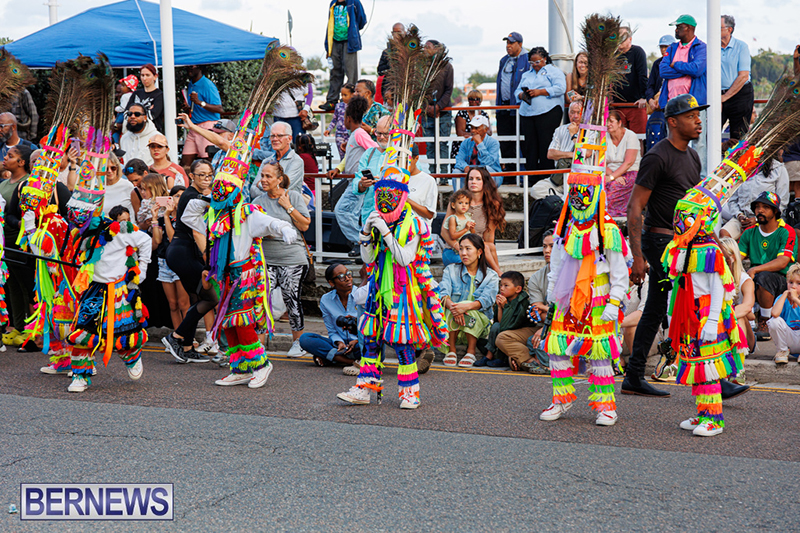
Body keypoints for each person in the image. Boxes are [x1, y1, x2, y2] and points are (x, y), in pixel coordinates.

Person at [625, 94, 707, 398]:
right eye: (691, 116)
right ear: (672, 122)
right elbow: (635, 207)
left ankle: (634, 375)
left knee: (667, 306)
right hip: (661, 243)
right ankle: (708, 376)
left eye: (699, 115)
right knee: (683, 302)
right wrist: (637, 257)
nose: (698, 120)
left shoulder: (693, 156)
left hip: (686, 242)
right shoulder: (658, 156)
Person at [661, 188, 746, 437]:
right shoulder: (681, 246)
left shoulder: (710, 249)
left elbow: (718, 286)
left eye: (687, 215)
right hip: (688, 312)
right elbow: (678, 283)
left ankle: (715, 419)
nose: (681, 219)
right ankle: (703, 412)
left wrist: (711, 321)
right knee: (696, 363)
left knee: (707, 365)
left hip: (706, 310)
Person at [253, 160, 312, 358]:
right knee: (261, 300)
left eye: (268, 176)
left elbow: (304, 226)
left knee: (291, 299)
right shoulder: (258, 202)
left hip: (292, 258)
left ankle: (298, 342)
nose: (263, 180)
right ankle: (258, 344)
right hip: (266, 258)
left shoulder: (292, 196)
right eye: (262, 175)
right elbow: (251, 229)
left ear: (279, 179)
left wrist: (288, 207)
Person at [162, 160, 217, 364]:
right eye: (201, 175)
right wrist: (209, 260)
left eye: (209, 175)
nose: (206, 179)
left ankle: (185, 346)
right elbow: (196, 231)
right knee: (211, 297)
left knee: (196, 298)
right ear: (191, 176)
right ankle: (175, 337)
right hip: (182, 252)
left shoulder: (193, 194)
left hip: (181, 252)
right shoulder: (193, 196)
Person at [738, 191, 799, 341]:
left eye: (765, 207)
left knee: (763, 277)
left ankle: (765, 320)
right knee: (742, 276)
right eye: (757, 207)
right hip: (757, 278)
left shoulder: (786, 232)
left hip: (782, 280)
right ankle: (748, 319)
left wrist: (755, 269)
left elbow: (783, 261)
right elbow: (737, 258)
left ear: (775, 211)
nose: (760, 210)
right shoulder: (749, 232)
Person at [496, 230, 554, 373]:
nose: (547, 251)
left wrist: (546, 312)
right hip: (540, 328)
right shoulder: (536, 278)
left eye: (552, 246)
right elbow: (536, 313)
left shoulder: (573, 275)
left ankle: (522, 360)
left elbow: (571, 314)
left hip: (565, 328)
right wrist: (547, 313)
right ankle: (531, 361)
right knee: (502, 337)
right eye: (544, 246)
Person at [439, 233, 499, 369]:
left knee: (470, 312)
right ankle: (451, 349)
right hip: (453, 319)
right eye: (461, 249)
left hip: (479, 322)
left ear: (479, 252)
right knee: (448, 309)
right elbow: (443, 293)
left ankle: (471, 351)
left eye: (468, 249)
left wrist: (464, 307)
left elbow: (486, 300)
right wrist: (456, 309)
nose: (463, 253)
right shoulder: (451, 270)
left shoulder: (491, 276)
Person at [659, 15, 708, 174]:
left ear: (688, 27)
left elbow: (697, 69)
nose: (675, 30)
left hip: (694, 104)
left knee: (698, 142)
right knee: (673, 141)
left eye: (678, 27)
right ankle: (675, 175)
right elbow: (663, 70)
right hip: (672, 104)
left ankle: (698, 176)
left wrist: (676, 64)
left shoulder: (701, 47)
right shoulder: (672, 47)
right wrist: (685, 70)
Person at [331, 96, 379, 250]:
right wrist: (338, 168)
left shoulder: (359, 134)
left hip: (358, 182)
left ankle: (361, 241)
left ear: (348, 118)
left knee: (342, 211)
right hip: (353, 182)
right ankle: (361, 241)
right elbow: (349, 158)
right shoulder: (355, 135)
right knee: (350, 213)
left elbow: (375, 149)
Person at [516, 47, 566, 184]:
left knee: (545, 144)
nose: (535, 65)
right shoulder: (527, 75)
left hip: (548, 112)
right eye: (532, 63)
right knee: (529, 146)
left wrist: (540, 92)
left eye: (537, 62)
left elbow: (561, 88)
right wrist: (522, 94)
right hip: (527, 113)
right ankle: (531, 178)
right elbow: (517, 92)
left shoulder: (554, 71)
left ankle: (546, 178)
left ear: (544, 59)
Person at [441, 167, 505, 273]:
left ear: (485, 182)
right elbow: (444, 232)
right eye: (470, 179)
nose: (473, 182)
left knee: (490, 247)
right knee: (473, 263)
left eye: (478, 179)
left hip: (475, 248)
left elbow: (489, 238)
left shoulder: (492, 204)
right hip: (454, 250)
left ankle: (498, 276)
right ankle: (497, 273)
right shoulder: (458, 202)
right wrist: (458, 247)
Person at [299, 263, 362, 368]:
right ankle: (350, 362)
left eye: (348, 274)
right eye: (341, 277)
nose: (347, 278)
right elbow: (332, 331)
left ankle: (332, 358)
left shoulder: (362, 295)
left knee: (375, 345)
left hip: (360, 345)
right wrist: (339, 342)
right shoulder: (326, 300)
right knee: (305, 339)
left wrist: (358, 340)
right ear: (331, 283)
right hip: (340, 348)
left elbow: (373, 327)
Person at [720, 156, 789, 239]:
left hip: (769, 219)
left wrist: (757, 219)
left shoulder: (778, 169)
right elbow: (732, 200)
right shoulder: (742, 167)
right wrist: (740, 215)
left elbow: (782, 203)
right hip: (743, 218)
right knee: (724, 234)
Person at [154, 185, 192, 334]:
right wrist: (155, 217)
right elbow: (157, 240)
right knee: (173, 304)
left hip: (181, 262)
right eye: (176, 196)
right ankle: (178, 337)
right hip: (164, 262)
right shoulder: (164, 217)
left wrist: (166, 216)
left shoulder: (187, 217)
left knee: (184, 303)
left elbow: (172, 239)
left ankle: (188, 336)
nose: (179, 199)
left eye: (182, 196)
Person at [476, 271, 530, 368]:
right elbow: (500, 322)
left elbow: (507, 326)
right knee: (495, 326)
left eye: (506, 286)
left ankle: (501, 358)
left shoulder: (522, 303)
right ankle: (489, 355)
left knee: (500, 330)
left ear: (518, 289)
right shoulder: (505, 299)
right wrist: (500, 308)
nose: (501, 288)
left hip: (516, 332)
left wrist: (507, 307)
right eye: (501, 285)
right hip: (504, 330)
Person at [531, 100, 582, 200]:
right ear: (568, 113)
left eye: (578, 112)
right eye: (572, 112)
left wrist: (573, 135)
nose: (575, 116)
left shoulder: (590, 131)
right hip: (559, 180)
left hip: (579, 180)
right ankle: (564, 200)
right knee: (535, 190)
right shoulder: (560, 130)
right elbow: (550, 154)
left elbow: (585, 154)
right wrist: (572, 154)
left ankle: (563, 200)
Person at [321, 0, 366, 112]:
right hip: (335, 41)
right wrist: (328, 47)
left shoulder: (353, 2)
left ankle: (350, 99)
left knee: (351, 72)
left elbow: (362, 20)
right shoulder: (333, 4)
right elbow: (330, 24)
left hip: (349, 42)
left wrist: (353, 29)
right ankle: (332, 100)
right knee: (335, 72)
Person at [496, 32, 530, 173]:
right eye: (507, 43)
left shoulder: (527, 59)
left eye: (511, 43)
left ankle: (521, 173)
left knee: (521, 141)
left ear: (520, 44)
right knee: (505, 141)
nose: (508, 46)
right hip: (503, 107)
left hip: (519, 108)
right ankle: (509, 173)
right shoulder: (504, 60)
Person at [720, 237, 756, 373]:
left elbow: (747, 308)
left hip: (746, 337)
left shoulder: (745, 280)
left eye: (723, 256)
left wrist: (720, 315)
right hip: (722, 329)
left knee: (741, 317)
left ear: (733, 257)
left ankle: (739, 368)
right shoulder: (716, 277)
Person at [179, 65, 223, 169]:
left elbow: (219, 109)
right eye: (188, 66)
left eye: (193, 66)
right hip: (194, 126)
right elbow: (195, 107)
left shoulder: (208, 85)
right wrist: (188, 107)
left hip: (207, 126)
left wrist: (200, 102)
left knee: (209, 161)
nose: (190, 68)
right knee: (185, 164)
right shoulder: (191, 84)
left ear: (200, 67)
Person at [421, 40, 454, 174]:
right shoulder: (422, 66)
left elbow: (448, 90)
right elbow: (418, 90)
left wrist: (438, 106)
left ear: (436, 49)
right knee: (430, 144)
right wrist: (426, 106)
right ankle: (433, 173)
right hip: (426, 112)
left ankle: (444, 174)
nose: (424, 49)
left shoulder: (447, 67)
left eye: (427, 47)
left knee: (442, 144)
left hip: (443, 112)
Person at [720, 15, 754, 141]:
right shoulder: (711, 48)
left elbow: (743, 76)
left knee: (738, 135)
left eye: (719, 27)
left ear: (729, 30)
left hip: (740, 95)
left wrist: (725, 97)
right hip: (718, 95)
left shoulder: (741, 47)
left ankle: (737, 160)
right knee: (710, 133)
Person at [250, 122, 305, 197]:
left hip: (286, 206)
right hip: (265, 207)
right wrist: (269, 196)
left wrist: (260, 184)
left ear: (289, 139)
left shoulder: (296, 161)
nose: (275, 139)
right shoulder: (266, 161)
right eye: (272, 136)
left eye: (279, 136)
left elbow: (282, 186)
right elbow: (253, 190)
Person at [604, 109, 642, 217]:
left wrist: (612, 177)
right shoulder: (604, 136)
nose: (608, 124)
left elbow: (629, 162)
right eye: (606, 121)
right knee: (598, 186)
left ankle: (613, 216)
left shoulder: (631, 136)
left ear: (619, 123)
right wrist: (613, 175)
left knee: (613, 187)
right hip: (609, 172)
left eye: (611, 121)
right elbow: (601, 160)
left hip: (630, 171)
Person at [612, 25, 649, 134]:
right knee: (618, 137)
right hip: (617, 105)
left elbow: (642, 75)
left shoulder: (637, 52)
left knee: (638, 138)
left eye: (623, 39)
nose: (620, 43)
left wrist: (643, 97)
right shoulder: (613, 55)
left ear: (630, 39)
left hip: (635, 104)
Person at [453, 115, 502, 189]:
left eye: (476, 128)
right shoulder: (466, 143)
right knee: (456, 171)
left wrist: (480, 144)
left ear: (486, 129)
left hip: (490, 173)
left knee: (487, 169)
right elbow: (459, 159)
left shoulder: (494, 143)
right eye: (472, 128)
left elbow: (489, 162)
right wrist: (465, 167)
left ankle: (486, 197)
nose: (473, 131)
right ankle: (459, 197)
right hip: (471, 172)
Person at [450, 90, 491, 171]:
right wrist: (476, 135)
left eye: (477, 99)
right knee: (459, 167)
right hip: (463, 144)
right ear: (468, 100)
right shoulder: (462, 113)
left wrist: (475, 136)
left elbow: (489, 132)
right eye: (471, 99)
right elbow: (460, 132)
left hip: (479, 144)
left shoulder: (484, 114)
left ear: (480, 101)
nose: (474, 101)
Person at [768, 263, 800, 365]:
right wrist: (785, 294)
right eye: (791, 282)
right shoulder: (782, 298)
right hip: (789, 338)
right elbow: (774, 313)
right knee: (774, 321)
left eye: (798, 283)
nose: (793, 286)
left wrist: (796, 299)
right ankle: (782, 351)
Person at [126, 64, 165, 134]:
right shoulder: (136, 93)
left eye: (147, 75)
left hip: (152, 133)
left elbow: (152, 115)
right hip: (134, 133)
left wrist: (134, 114)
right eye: (142, 75)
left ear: (155, 77)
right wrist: (147, 110)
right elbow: (126, 114)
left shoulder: (159, 95)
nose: (144, 78)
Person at [442, 189, 474, 265]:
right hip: (452, 251)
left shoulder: (468, 217)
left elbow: (473, 234)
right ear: (453, 205)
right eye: (460, 203)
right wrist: (466, 229)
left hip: (465, 250)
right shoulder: (453, 218)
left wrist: (471, 228)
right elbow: (453, 236)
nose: (464, 205)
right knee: (463, 261)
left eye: (466, 203)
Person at [323, 82, 353, 158]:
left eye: (345, 95)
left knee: (351, 155)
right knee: (342, 156)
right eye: (341, 95)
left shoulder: (355, 106)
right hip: (339, 134)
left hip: (350, 134)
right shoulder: (338, 106)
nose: (343, 97)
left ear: (352, 95)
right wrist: (329, 129)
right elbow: (334, 120)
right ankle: (342, 170)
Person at [101, 152, 134, 218]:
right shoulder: (97, 188)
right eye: (106, 169)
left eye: (113, 168)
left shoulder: (127, 185)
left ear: (117, 168)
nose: (110, 171)